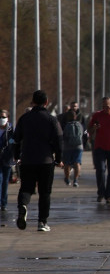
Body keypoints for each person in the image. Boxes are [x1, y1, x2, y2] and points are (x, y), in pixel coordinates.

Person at [13, 90, 63, 231]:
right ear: (46, 102)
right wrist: (59, 159)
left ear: (33, 102)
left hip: (27, 159)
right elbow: (59, 141)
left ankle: (23, 205)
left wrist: (16, 155)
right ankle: (42, 222)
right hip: (46, 161)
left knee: (26, 188)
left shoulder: (24, 118)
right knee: (44, 192)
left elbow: (16, 139)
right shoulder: (51, 119)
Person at [61, 109, 85, 187]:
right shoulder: (80, 125)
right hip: (78, 147)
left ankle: (67, 179)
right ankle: (76, 180)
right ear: (75, 116)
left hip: (67, 147)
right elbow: (84, 135)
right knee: (77, 163)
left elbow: (63, 136)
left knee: (67, 164)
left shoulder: (66, 125)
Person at [0, 109, 15, 211]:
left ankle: (3, 203)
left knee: (5, 181)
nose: (2, 119)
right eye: (1, 117)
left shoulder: (11, 129)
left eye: (4, 117)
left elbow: (14, 142)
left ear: (8, 118)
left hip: (7, 158)